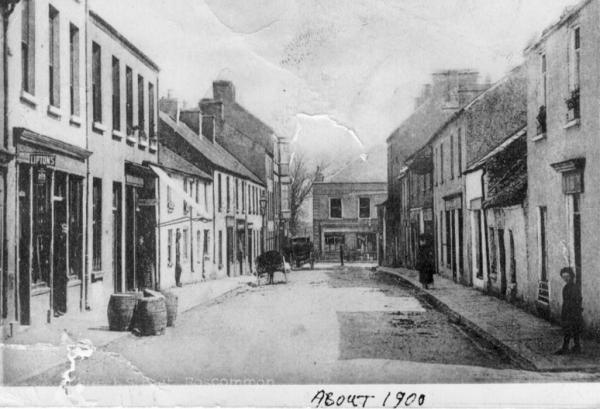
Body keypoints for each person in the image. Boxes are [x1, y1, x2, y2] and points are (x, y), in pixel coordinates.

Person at [555, 267, 583, 355]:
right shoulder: (566, 287)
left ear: (571, 276)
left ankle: (567, 348)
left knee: (572, 330)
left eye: (567, 276)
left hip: (573, 312)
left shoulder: (574, 287)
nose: (565, 278)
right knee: (572, 330)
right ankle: (575, 347)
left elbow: (577, 300)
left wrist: (574, 311)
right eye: (563, 277)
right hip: (568, 311)